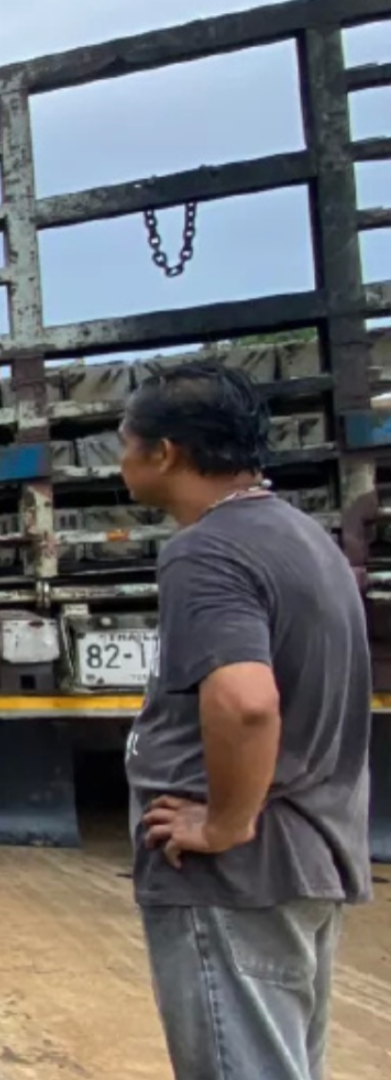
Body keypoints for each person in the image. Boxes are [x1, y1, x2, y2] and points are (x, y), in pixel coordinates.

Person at [117, 361, 373, 1080]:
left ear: (164, 453)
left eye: (125, 441)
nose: (120, 460)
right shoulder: (300, 535)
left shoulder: (206, 551)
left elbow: (247, 700)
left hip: (235, 875)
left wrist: (224, 823)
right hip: (307, 856)